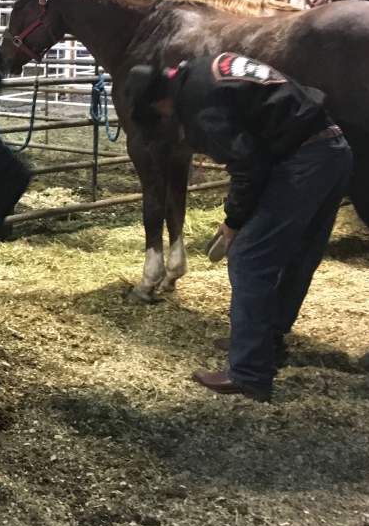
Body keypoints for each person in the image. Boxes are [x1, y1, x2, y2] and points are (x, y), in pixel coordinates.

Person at [120, 53, 352, 402]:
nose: (164, 121)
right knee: (298, 253)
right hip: (332, 148)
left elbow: (247, 165)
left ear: (161, 101)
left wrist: (233, 221)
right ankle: (264, 343)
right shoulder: (200, 69)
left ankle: (249, 372)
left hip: (304, 160)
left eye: (159, 116)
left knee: (249, 257)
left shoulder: (199, 104)